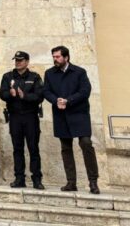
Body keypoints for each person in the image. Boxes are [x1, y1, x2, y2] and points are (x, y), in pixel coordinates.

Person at [44, 45, 100, 194]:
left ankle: (93, 181)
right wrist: (56, 100)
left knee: (86, 143)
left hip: (79, 113)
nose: (55, 59)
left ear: (66, 57)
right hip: (61, 114)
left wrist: (68, 100)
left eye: (57, 56)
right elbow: (46, 91)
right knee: (66, 148)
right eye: (53, 57)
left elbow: (85, 91)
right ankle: (71, 182)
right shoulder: (49, 73)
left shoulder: (79, 72)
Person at [0, 51, 44, 189]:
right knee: (17, 149)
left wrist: (25, 96)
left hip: (30, 116)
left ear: (27, 62)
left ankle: (37, 179)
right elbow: (2, 94)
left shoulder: (34, 77)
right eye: (16, 60)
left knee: (33, 148)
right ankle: (19, 178)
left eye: (20, 60)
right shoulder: (8, 76)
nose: (17, 62)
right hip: (15, 116)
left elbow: (40, 96)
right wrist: (10, 94)